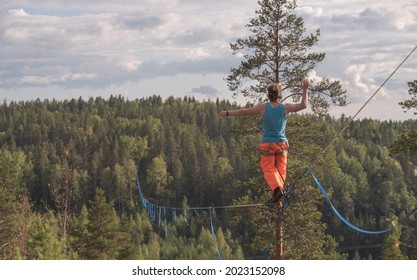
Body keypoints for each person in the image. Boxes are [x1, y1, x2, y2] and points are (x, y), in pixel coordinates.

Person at [218, 80, 310, 203]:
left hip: (268, 145)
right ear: (279, 95)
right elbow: (303, 105)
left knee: (269, 169)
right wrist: (305, 89)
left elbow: (245, 112)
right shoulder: (285, 108)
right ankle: (279, 191)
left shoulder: (262, 107)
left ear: (268, 95)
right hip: (282, 145)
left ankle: (277, 190)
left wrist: (228, 113)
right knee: (281, 169)